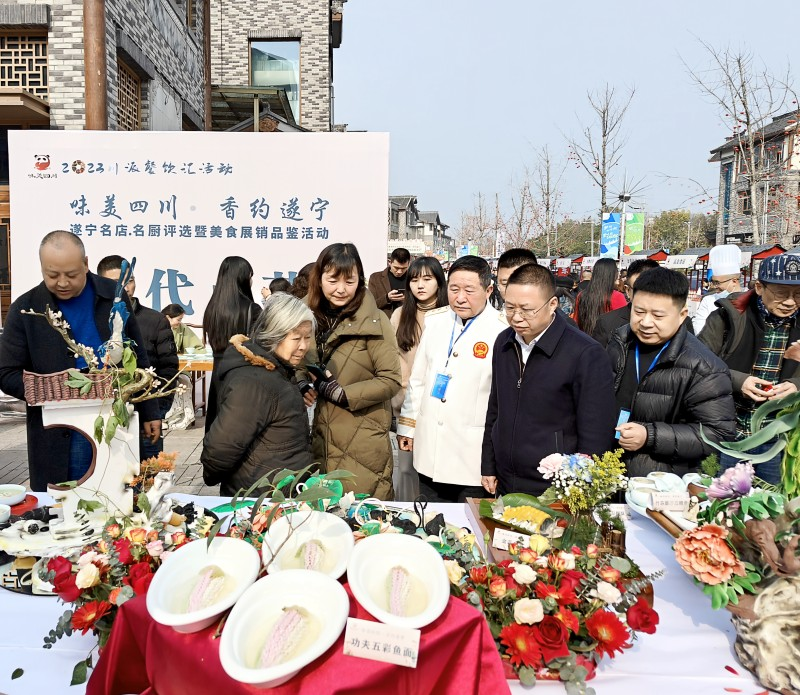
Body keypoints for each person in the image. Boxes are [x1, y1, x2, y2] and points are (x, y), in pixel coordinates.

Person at [0, 230, 159, 490]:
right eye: (52, 275)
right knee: (66, 503)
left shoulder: (113, 295)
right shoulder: (26, 309)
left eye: (71, 274)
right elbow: (6, 373)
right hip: (57, 429)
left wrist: (151, 411)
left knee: (117, 497)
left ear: (86, 263)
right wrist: (59, 388)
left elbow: (138, 355)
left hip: (114, 419)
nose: (62, 282)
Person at [481, 264, 616, 496]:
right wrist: (489, 464)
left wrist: (582, 487)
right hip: (505, 477)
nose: (516, 317)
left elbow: (596, 433)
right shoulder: (504, 342)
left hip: (555, 484)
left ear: (552, 304)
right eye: (510, 307)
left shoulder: (584, 353)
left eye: (527, 309)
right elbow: (495, 408)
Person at [608, 267, 736, 477]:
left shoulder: (704, 367)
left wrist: (650, 436)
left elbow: (718, 435)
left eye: (658, 315)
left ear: (682, 314)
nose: (646, 322)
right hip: (610, 470)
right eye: (639, 312)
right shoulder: (619, 342)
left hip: (662, 480)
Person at [397, 255, 505, 503]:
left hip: (471, 454)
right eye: (454, 289)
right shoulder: (436, 321)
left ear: (488, 289)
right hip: (431, 447)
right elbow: (419, 380)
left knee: (471, 529)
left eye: (469, 290)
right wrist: (408, 427)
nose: (460, 297)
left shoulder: (502, 330)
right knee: (432, 522)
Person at [305, 243, 401, 499]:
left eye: (349, 281)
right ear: (320, 278)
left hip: (363, 442)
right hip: (321, 439)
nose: (340, 289)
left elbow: (391, 380)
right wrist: (302, 383)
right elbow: (297, 361)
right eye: (333, 279)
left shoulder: (375, 320)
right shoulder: (308, 317)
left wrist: (343, 394)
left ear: (360, 280)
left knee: (362, 519)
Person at [699, 254, 800, 484]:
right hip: (726, 434)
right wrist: (738, 381)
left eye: (798, 294)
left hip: (777, 441)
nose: (790, 302)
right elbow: (697, 362)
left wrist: (795, 386)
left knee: (769, 513)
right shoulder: (729, 316)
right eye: (782, 293)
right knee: (717, 502)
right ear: (759, 287)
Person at [201, 294, 314, 496]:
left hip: (277, 495)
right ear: (273, 336)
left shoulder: (278, 370)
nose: (304, 346)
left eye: (308, 337)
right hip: (259, 500)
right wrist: (212, 475)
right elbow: (221, 447)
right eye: (296, 338)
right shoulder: (255, 382)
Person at [97, 255, 179, 460]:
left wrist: (157, 410)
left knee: (147, 476)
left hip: (146, 418)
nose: (125, 287)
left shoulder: (155, 320)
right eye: (116, 283)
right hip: (105, 417)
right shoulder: (95, 320)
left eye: (129, 280)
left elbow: (169, 368)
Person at [389, 257, 448, 500]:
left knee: (435, 469)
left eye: (427, 279)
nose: (420, 285)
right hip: (406, 405)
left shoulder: (450, 316)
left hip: (439, 406)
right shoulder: (400, 315)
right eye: (414, 280)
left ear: (439, 281)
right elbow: (393, 360)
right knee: (405, 468)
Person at [203, 256, 262, 432]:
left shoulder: (212, 308)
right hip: (243, 375)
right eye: (250, 276)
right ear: (243, 278)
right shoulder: (252, 309)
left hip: (217, 375)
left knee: (217, 425)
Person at [592, 259, 660, 347]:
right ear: (627, 291)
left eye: (653, 288)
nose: (646, 295)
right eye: (639, 289)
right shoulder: (607, 323)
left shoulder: (675, 321)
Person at [692, 245, 743, 334]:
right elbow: (698, 328)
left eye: (717, 282)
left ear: (734, 281)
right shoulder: (708, 300)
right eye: (713, 282)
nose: (715, 286)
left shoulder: (750, 299)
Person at [575, 258, 627, 336]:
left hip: (585, 341)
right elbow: (624, 325)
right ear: (612, 274)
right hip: (609, 343)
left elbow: (576, 321)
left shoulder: (582, 295)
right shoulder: (617, 296)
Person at [368, 247, 411, 318]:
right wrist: (387, 298)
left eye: (403, 268)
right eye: (396, 268)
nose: (399, 272)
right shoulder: (375, 278)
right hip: (383, 322)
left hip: (407, 321)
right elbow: (371, 305)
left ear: (409, 264)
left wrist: (408, 299)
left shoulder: (413, 278)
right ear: (389, 262)